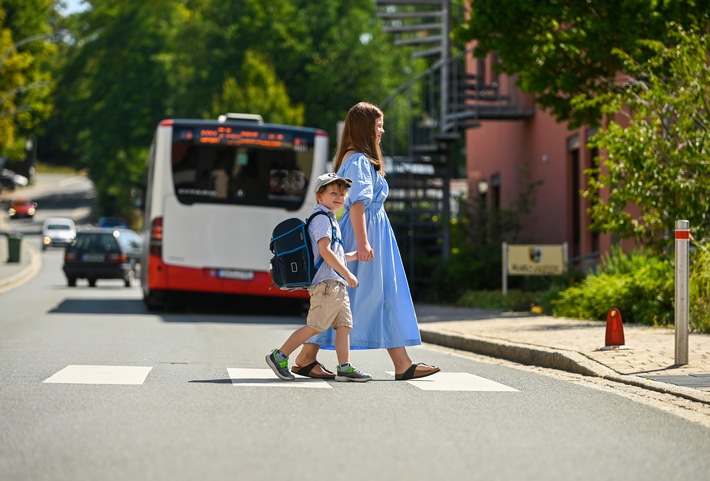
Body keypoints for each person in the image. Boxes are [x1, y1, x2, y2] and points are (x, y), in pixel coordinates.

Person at [292, 101, 440, 381]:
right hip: (365, 234)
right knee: (348, 297)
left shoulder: (358, 158)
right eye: (378, 125)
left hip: (373, 233)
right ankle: (305, 356)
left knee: (377, 295)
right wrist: (362, 243)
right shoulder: (358, 159)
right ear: (364, 128)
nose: (382, 131)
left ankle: (400, 362)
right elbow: (357, 205)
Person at [266, 173, 372, 382]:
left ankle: (344, 367)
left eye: (342, 194)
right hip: (326, 285)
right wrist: (347, 273)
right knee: (316, 326)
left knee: (344, 326)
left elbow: (334, 254)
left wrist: (354, 256)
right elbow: (324, 251)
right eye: (333, 192)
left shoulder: (331, 219)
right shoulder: (322, 219)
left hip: (336, 283)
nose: (339, 197)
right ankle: (279, 356)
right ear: (319, 196)